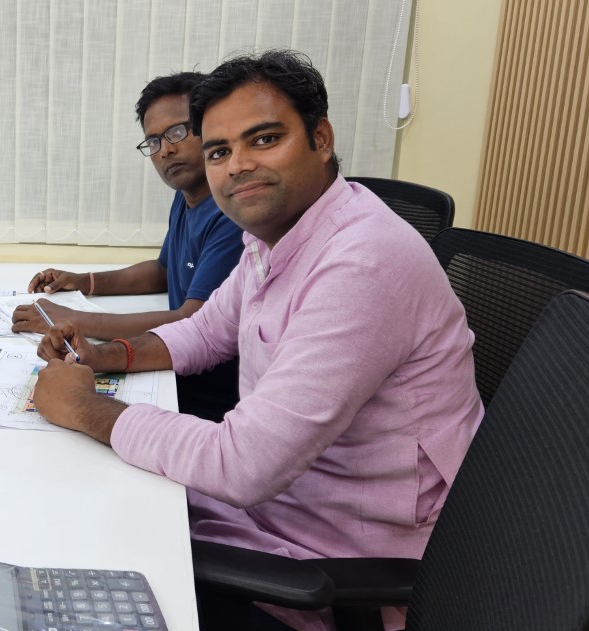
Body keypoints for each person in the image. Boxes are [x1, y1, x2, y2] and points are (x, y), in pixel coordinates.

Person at [31, 50, 483, 631]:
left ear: (321, 138)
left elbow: (243, 466)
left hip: (340, 559)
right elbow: (206, 330)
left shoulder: (361, 263)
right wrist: (105, 356)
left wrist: (84, 407)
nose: (238, 166)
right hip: (284, 504)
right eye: (219, 151)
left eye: (264, 139)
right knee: (84, 504)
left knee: (82, 558)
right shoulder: (275, 236)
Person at [11, 72, 245, 420]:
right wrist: (85, 281)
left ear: (209, 128)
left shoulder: (232, 215)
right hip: (169, 369)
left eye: (177, 132)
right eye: (153, 141)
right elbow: (163, 270)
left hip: (206, 395)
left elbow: (193, 321)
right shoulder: (187, 198)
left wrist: (72, 319)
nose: (166, 150)